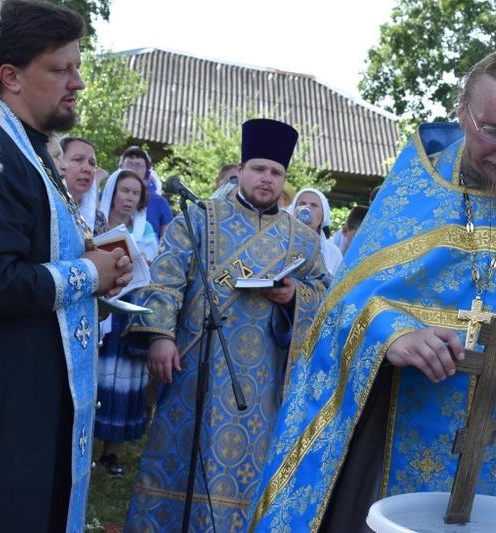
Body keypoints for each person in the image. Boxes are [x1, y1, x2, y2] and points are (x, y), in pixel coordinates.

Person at [248, 43, 496, 532]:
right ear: (463, 111)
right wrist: (391, 332)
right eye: (493, 130)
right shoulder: (415, 192)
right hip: (398, 446)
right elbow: (342, 304)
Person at [0, 2, 133, 532]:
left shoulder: (32, 150)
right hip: (5, 397)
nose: (77, 82)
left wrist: (99, 273)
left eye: (76, 67)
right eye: (60, 69)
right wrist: (89, 275)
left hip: (37, 387)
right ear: (9, 75)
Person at [123, 118, 331, 532]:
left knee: (247, 472)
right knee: (181, 458)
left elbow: (327, 295)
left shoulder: (304, 240)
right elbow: (165, 277)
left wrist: (295, 297)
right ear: (241, 169)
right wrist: (161, 336)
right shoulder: (199, 218)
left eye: (276, 172)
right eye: (259, 169)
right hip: (196, 365)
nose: (267, 179)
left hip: (263, 379)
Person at [93, 170, 157, 476]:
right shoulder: (94, 221)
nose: (130, 198)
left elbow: (154, 268)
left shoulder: (146, 231)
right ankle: (86, 445)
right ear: (112, 193)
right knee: (98, 375)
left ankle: (111, 453)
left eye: (136, 193)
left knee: (124, 380)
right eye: (125, 191)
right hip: (101, 312)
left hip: (129, 313)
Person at [117, 145, 173, 239]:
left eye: (138, 165)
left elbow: (167, 241)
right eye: (129, 163)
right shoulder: (107, 197)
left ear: (147, 171)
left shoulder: (160, 202)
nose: (133, 168)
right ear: (121, 167)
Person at [289, 188, 344, 274]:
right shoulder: (283, 243)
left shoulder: (333, 253)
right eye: (302, 204)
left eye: (314, 205)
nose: (307, 208)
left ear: (323, 214)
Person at [62, 136, 108, 235]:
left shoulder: (99, 219)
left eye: (92, 163)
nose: (87, 168)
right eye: (78, 159)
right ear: (59, 162)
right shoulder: (45, 207)